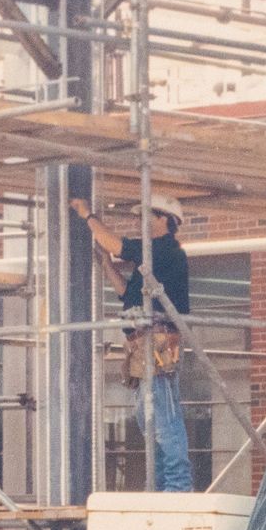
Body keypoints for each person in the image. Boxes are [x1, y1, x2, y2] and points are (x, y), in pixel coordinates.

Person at [70, 194, 195, 492]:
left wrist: (88, 215)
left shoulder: (165, 250)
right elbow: (127, 291)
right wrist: (105, 263)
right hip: (143, 345)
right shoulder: (153, 262)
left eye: (146, 217)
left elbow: (118, 245)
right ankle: (162, 485)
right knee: (149, 419)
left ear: (164, 219)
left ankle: (178, 485)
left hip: (158, 343)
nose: (141, 223)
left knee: (163, 417)